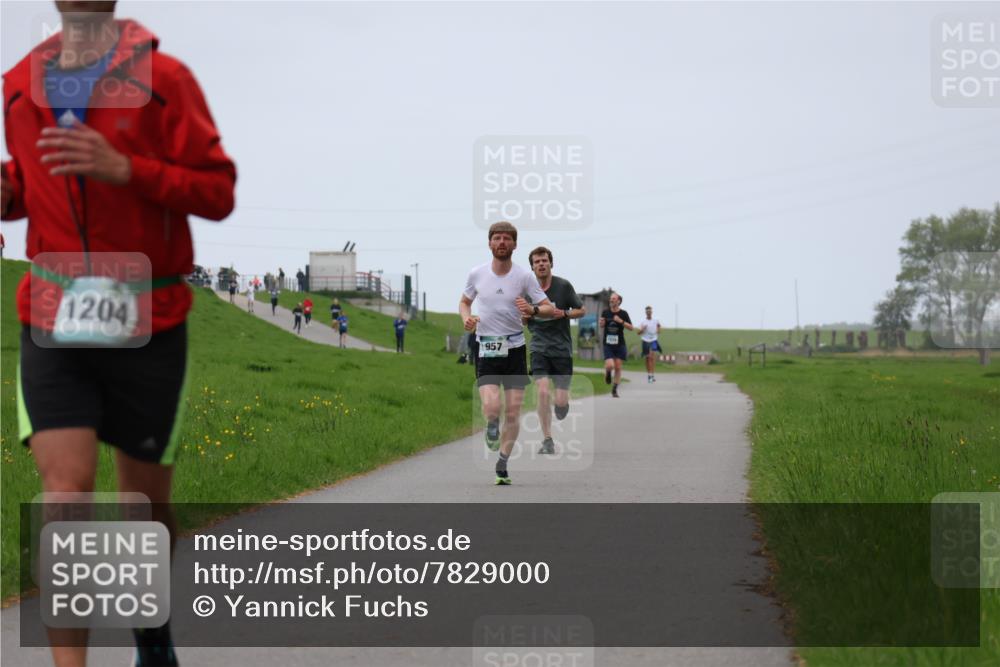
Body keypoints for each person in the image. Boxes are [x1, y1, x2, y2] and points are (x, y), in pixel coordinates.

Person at [1, 3, 236, 666]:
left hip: (148, 320)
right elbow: (35, 179)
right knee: (65, 496)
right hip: (53, 316)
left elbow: (217, 191)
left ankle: (151, 632)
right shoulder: (17, 85)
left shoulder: (167, 80)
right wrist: (8, 191)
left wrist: (128, 169)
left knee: (143, 507)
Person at [459, 221, 553, 485]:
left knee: (512, 412)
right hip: (487, 347)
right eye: (497, 238)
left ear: (515, 244)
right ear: (489, 243)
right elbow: (465, 302)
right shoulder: (477, 274)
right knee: (492, 407)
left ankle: (502, 463)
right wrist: (466, 318)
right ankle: (491, 424)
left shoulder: (524, 277)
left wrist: (533, 310)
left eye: (507, 238)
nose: (502, 242)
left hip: (514, 349)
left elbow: (548, 307)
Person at [524, 247, 585, 455]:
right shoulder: (527, 290)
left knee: (559, 401)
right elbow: (521, 319)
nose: (541, 264)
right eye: (537, 262)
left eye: (544, 260)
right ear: (532, 267)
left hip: (561, 350)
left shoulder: (563, 286)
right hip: (539, 347)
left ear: (551, 263)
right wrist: (524, 317)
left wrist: (565, 313)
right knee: (542, 391)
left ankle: (562, 405)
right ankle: (547, 439)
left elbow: (581, 310)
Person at [600, 292, 634, 398]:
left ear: (618, 301)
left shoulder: (623, 313)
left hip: (620, 344)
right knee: (610, 365)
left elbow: (631, 327)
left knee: (618, 367)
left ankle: (614, 389)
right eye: (611, 298)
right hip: (608, 344)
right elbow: (602, 325)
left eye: (614, 299)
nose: (611, 300)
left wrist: (621, 321)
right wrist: (602, 323)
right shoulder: (605, 312)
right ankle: (608, 373)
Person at [637, 306, 662, 383]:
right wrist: (642, 329)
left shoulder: (656, 320)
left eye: (650, 311)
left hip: (653, 340)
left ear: (652, 312)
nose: (649, 313)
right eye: (647, 311)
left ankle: (651, 376)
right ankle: (649, 375)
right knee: (647, 358)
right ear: (646, 313)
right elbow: (638, 333)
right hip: (645, 340)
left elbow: (659, 326)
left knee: (651, 357)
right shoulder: (643, 322)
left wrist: (658, 330)